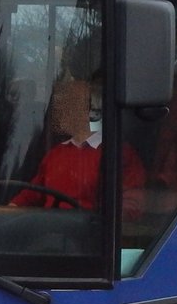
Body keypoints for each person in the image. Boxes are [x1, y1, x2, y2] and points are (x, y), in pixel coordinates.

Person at [10, 76, 144, 218]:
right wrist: (10, 209)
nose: (59, 111)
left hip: (88, 235)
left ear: (91, 110)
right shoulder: (56, 154)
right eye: (60, 105)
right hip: (49, 230)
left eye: (69, 104)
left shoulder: (118, 153)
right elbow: (31, 194)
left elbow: (131, 205)